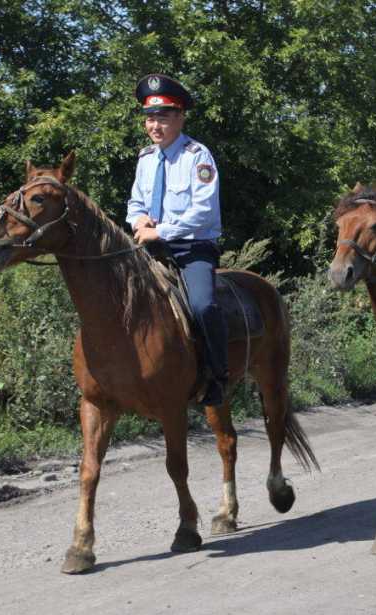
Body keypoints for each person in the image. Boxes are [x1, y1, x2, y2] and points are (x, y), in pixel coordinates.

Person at [126, 73, 228, 405]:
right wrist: (138, 218)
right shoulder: (145, 159)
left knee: (202, 305)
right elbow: (135, 202)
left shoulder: (197, 156)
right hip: (149, 246)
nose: (155, 125)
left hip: (192, 247)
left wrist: (161, 230)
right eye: (150, 118)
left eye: (163, 117)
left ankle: (217, 376)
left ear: (180, 117)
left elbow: (203, 210)